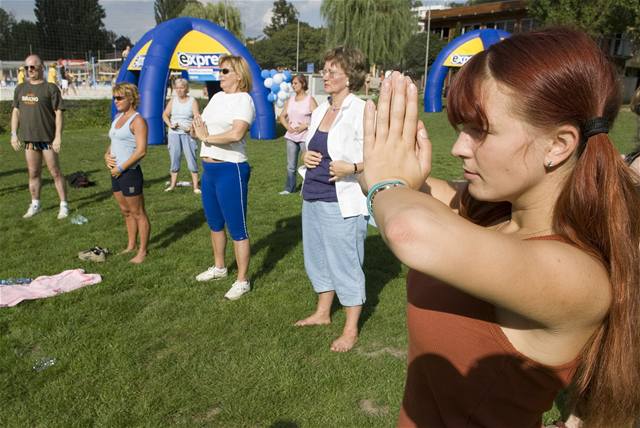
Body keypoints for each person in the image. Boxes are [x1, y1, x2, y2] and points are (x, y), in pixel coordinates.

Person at [361, 28, 640, 426]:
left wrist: (386, 183)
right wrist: (386, 171)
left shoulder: (578, 276)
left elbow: (409, 227)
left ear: (558, 145)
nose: (458, 147)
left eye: (480, 130)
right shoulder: (493, 214)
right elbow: (407, 192)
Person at [294, 46, 369, 353]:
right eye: (324, 70)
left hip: (342, 200)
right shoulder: (322, 109)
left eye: (331, 71)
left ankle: (350, 329)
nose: (324, 76)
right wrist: (306, 154)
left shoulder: (363, 109)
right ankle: (323, 313)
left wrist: (352, 167)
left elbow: (377, 155)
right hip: (312, 194)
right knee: (317, 258)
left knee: (346, 262)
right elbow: (311, 146)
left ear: (349, 76)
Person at [192, 55, 256, 300]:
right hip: (210, 169)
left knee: (237, 227)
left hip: (231, 169)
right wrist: (194, 129)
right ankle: (219, 267)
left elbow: (236, 133)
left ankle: (243, 280)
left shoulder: (244, 100)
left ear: (238, 75)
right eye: (220, 70)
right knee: (215, 223)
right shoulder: (217, 97)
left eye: (225, 71)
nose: (220, 75)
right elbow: (203, 126)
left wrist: (206, 138)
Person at [10, 54, 69, 219]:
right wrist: (14, 134)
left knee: (55, 172)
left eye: (33, 67)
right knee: (33, 173)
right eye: (27, 67)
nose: (30, 70)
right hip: (29, 140)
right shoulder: (20, 89)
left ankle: (64, 205)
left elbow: (58, 113)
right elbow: (16, 112)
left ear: (41, 67)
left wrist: (58, 137)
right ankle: (35, 203)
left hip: (47, 139)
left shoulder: (50, 88)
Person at [104, 83, 150, 264]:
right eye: (114, 98)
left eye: (120, 97)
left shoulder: (138, 121)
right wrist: (106, 155)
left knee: (138, 212)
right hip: (115, 172)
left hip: (129, 173)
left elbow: (141, 151)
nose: (116, 101)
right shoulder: (118, 117)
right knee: (125, 211)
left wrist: (121, 167)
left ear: (131, 98)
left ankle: (142, 251)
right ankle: (131, 246)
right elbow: (114, 141)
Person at [278, 74, 318, 194]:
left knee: (309, 164)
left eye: (296, 83)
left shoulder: (310, 100)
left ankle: (310, 187)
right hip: (291, 137)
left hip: (305, 137)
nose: (293, 86)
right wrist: (287, 127)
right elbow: (281, 116)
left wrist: (305, 126)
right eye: (292, 83)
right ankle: (289, 188)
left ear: (303, 84)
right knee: (291, 166)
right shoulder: (290, 100)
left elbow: (318, 118)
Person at [162, 78, 201, 193]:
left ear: (186, 88)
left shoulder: (192, 101)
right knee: (174, 159)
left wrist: (192, 128)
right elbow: (165, 115)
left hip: (188, 134)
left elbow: (197, 117)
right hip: (174, 134)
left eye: (181, 88)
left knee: (191, 159)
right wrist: (170, 124)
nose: (179, 90)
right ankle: (172, 185)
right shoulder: (173, 101)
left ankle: (196, 187)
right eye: (177, 88)